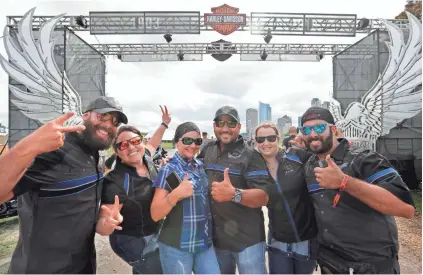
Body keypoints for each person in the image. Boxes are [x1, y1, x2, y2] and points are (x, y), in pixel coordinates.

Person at [6, 96, 128, 274]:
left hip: (84, 267)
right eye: (103, 116)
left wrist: (104, 219)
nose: (109, 125)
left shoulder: (96, 156)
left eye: (115, 122)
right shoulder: (52, 150)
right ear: (85, 116)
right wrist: (29, 146)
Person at [300, 107, 415, 274]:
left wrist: (344, 182)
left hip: (371, 265)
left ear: (333, 129)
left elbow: (406, 209)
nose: (312, 134)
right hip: (330, 263)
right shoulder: (310, 166)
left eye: (319, 127)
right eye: (306, 129)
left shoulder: (364, 159)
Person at [198, 106, 275, 274]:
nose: (225, 128)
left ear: (239, 127)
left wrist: (234, 194)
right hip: (217, 240)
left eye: (231, 123)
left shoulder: (251, 155)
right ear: (214, 126)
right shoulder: (207, 150)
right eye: (221, 123)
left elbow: (264, 197)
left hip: (248, 241)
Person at [95, 106, 171, 274]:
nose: (131, 147)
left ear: (142, 142)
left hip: (152, 231)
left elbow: (154, 142)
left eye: (135, 141)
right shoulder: (115, 180)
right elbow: (104, 221)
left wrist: (164, 124)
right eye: (123, 145)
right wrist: (106, 224)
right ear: (117, 152)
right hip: (131, 240)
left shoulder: (147, 159)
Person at [150, 122, 221, 274]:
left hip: (204, 244)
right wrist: (175, 195)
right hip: (177, 247)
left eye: (198, 141)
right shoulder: (169, 169)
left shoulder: (200, 165)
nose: (193, 145)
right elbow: (155, 214)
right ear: (177, 141)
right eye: (187, 140)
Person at [255, 122, 318, 274]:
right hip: (278, 240)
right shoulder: (255, 168)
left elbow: (322, 158)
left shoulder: (296, 156)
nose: (266, 143)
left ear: (278, 139)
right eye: (261, 139)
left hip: (306, 238)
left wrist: (308, 147)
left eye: (270, 138)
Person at [0, 112, 85, 202]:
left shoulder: (93, 152)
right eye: (100, 116)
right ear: (86, 116)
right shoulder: (50, 155)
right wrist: (30, 146)